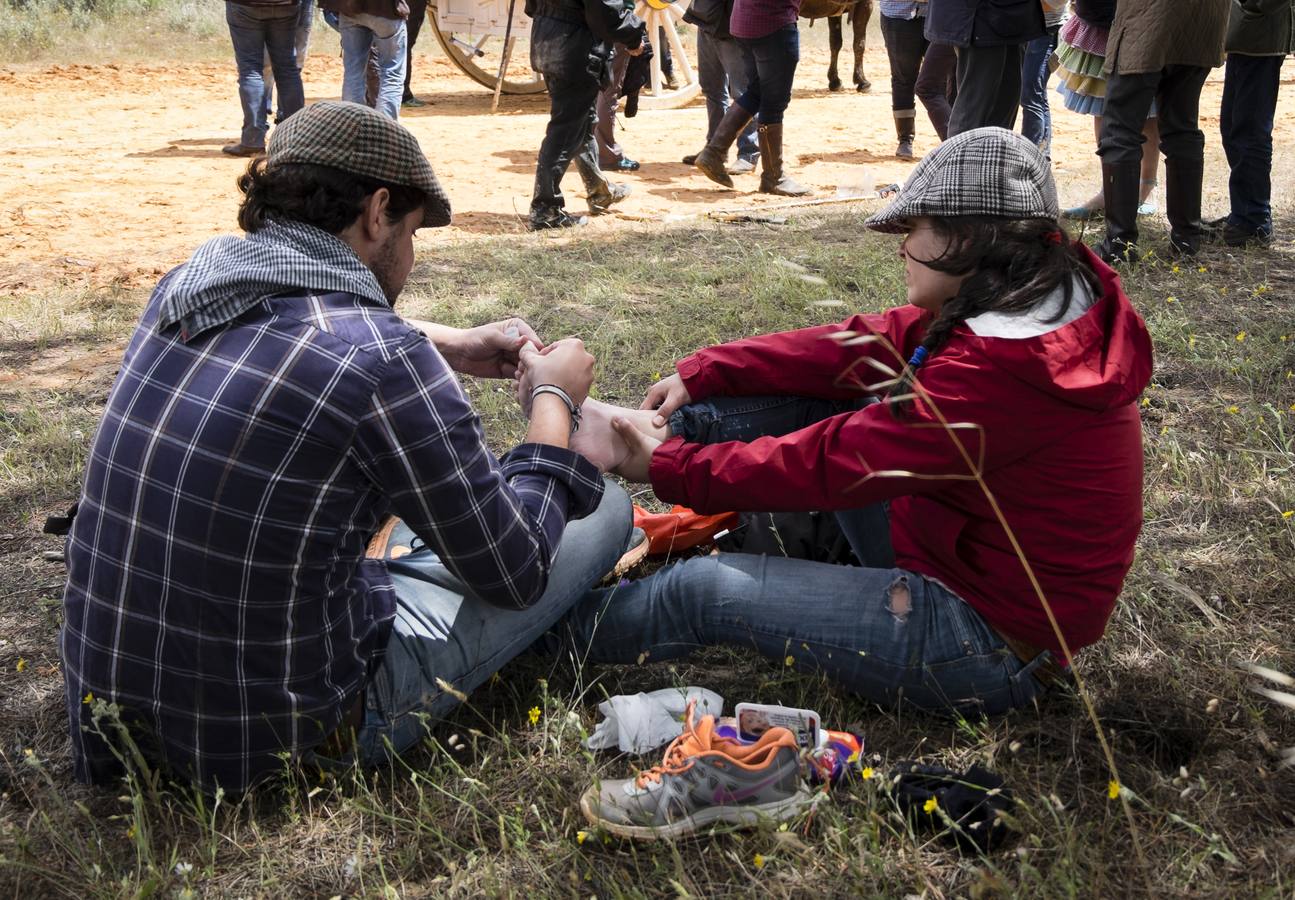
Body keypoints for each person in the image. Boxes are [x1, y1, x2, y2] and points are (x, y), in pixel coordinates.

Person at [59, 101, 633, 794]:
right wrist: (555, 403)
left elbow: (301, 307)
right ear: (377, 210)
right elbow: (513, 572)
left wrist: (449, 342)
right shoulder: (383, 361)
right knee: (601, 509)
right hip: (283, 742)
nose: (411, 258)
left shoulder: (188, 284)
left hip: (110, 726)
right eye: (412, 233)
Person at [552, 128, 1152, 725]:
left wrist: (673, 469)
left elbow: (837, 461)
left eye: (913, 229)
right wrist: (708, 374)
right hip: (954, 554)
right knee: (815, 399)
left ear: (967, 238)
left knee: (701, 591)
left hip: (984, 641)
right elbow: (864, 345)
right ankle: (622, 438)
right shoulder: (1032, 298)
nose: (901, 248)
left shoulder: (1003, 370)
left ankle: (532, 637)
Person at [1096, 0, 1230, 262]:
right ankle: (1186, 239)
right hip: (1203, 19)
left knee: (1119, 131)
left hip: (1148, 19)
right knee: (1182, 126)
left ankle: (1118, 245)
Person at [525, 0, 646, 229]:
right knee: (565, 131)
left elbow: (531, 7)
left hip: (548, 41)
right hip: (575, 50)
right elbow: (605, 12)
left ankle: (599, 191)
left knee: (584, 121)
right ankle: (545, 210)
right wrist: (634, 35)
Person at [1053, 0, 1160, 220]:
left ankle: (1146, 188)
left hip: (1142, 22)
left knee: (1148, 111)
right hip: (1099, 19)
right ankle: (1109, 190)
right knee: (1102, 106)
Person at [691, 0, 812, 194]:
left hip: (744, 22)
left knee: (757, 92)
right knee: (773, 102)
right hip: (773, 23)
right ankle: (773, 177)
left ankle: (714, 151)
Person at [1211, 0, 1294, 246]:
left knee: (1250, 131)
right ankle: (1245, 211)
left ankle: (1254, 219)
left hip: (1261, 37)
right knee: (1233, 128)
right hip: (1245, 35)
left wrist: (1248, 6)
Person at [924, 0, 1044, 136]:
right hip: (978, 20)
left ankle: (991, 155)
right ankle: (963, 156)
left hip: (1009, 18)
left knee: (1001, 114)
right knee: (973, 114)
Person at [682, 0, 760, 174]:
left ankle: (748, 153)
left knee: (743, 93)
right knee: (712, 89)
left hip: (731, 27)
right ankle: (714, 150)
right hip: (707, 22)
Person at [222, 0, 306, 157]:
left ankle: (253, 140)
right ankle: (297, 138)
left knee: (250, 70)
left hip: (245, 6)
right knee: (287, 69)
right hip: (286, 5)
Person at [320, 0, 409, 120]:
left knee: (353, 73)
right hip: (387, 11)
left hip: (350, 10)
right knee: (391, 75)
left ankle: (352, 126)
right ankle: (385, 130)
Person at [878, 0, 938, 158]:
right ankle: (905, 139)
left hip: (937, 15)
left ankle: (951, 138)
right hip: (899, 14)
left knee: (944, 79)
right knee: (903, 77)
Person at [1019, 0, 1065, 155]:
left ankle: (1032, 155)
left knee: (1031, 95)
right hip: (1035, 28)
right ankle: (1041, 155)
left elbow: (1054, 4)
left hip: (1046, 29)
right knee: (1035, 94)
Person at [263, 0, 316, 126]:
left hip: (303, 6)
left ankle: (286, 120)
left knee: (296, 62)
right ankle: (261, 117)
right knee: (268, 63)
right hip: (273, 6)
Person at [595, 43, 642, 172]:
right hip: (614, 33)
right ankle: (607, 156)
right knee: (609, 90)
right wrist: (633, 37)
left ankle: (590, 149)